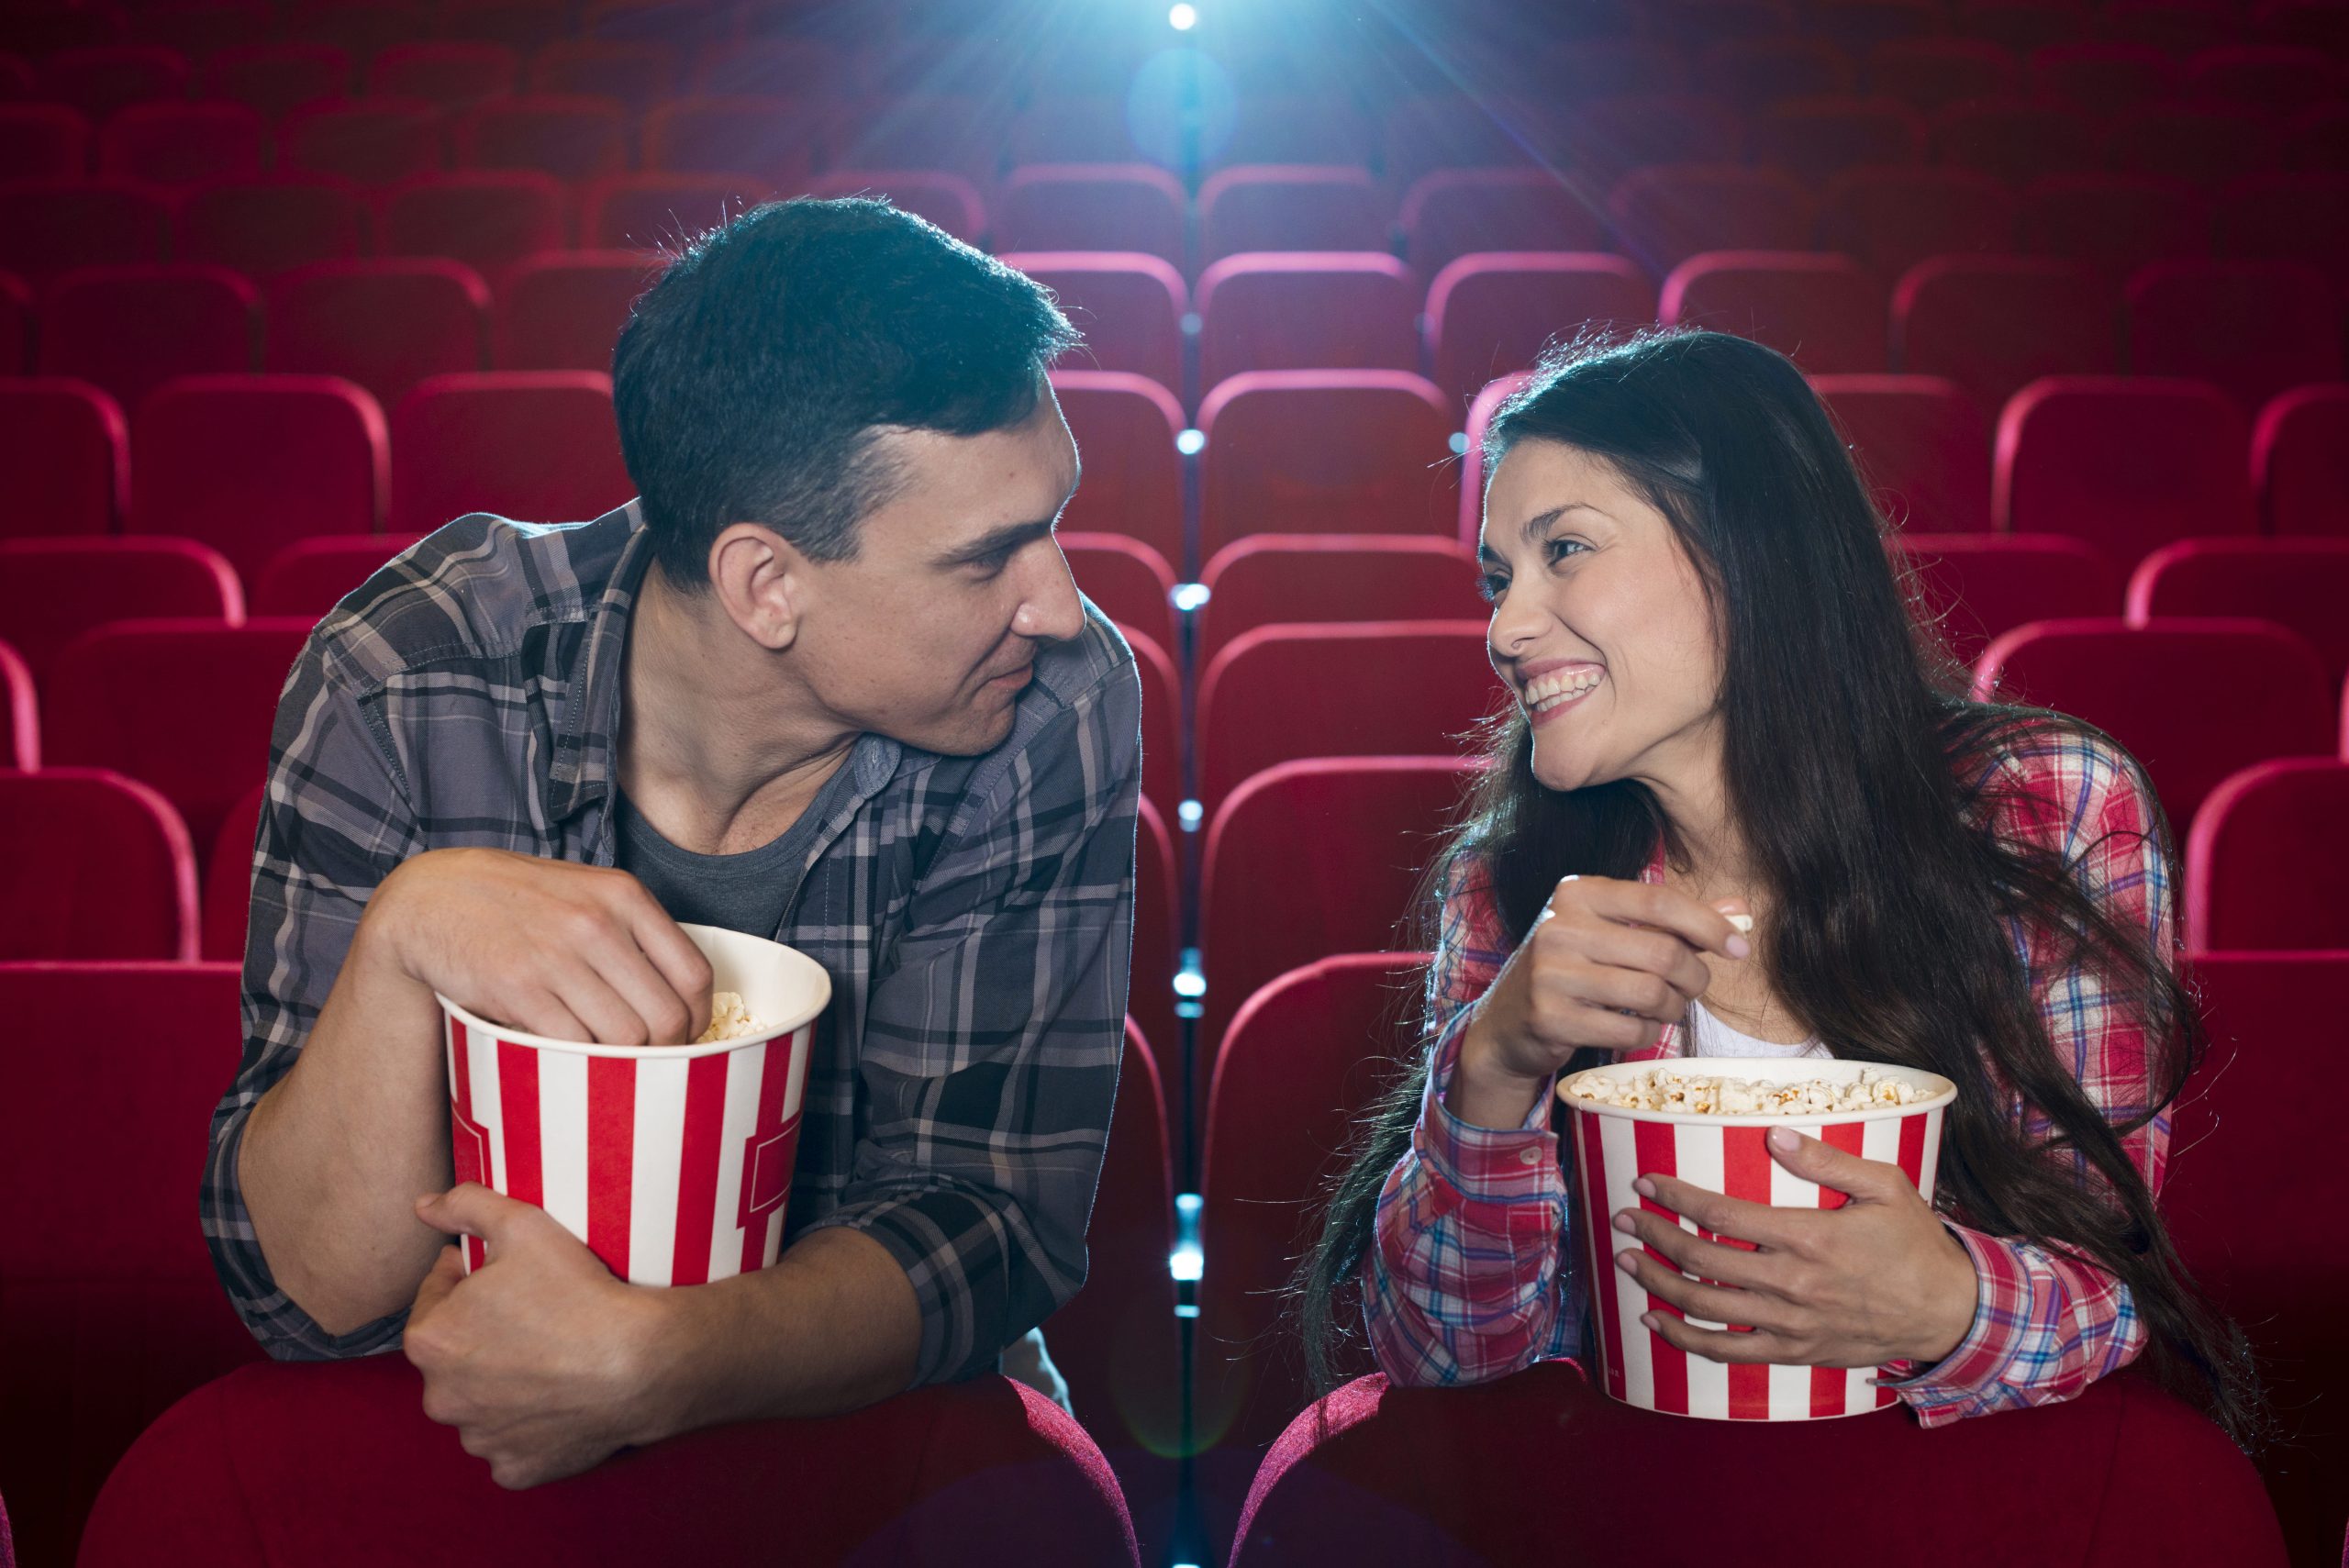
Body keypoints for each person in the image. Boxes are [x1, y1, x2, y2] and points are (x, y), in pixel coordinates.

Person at [201, 198, 1142, 1489]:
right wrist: (407, 937)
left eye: (1054, 519)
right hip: (468, 1407)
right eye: (988, 560)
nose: (1060, 603)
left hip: (860, 1413)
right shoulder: (407, 675)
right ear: (767, 586)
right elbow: (304, 1302)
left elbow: (988, 1221)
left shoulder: (1053, 697)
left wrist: (668, 1359)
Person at [1298, 329, 2263, 1451]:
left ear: (1751, 554)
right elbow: (1443, 1362)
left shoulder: (2046, 806)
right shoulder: (1509, 888)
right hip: (1631, 1503)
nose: (1504, 628)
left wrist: (1945, 1300)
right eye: (1498, 576)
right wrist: (1494, 1065)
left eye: (1565, 549)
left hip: (1947, 1502)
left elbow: (2111, 1282)